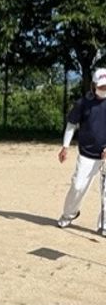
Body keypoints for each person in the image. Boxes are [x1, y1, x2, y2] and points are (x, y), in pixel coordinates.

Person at [57, 67, 106, 232]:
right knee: (78, 186)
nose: (104, 89)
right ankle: (69, 214)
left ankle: (104, 225)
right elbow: (71, 124)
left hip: (105, 154)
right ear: (94, 86)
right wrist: (65, 146)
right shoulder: (83, 103)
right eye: (101, 86)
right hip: (87, 153)